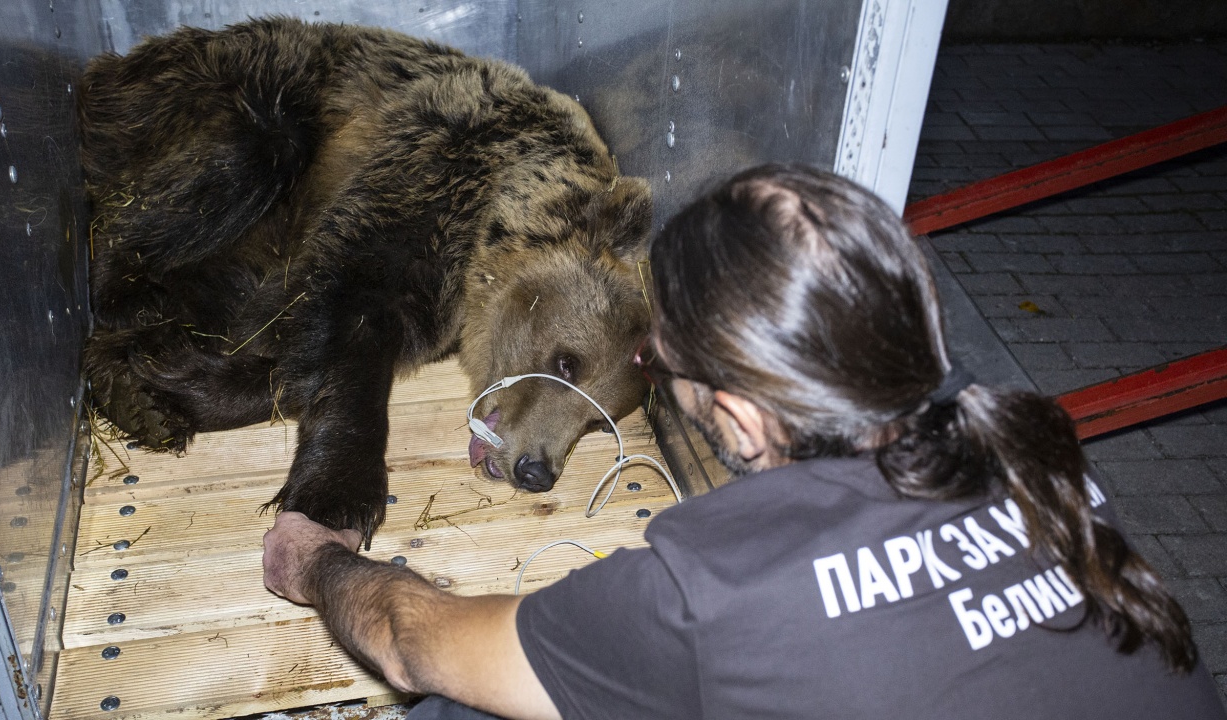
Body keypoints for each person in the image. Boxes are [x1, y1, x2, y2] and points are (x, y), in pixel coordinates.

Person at [263, 164, 1226, 719]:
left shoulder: (716, 589)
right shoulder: (1044, 462)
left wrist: (321, 565)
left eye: (661, 359)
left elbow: (412, 644)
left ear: (743, 417)